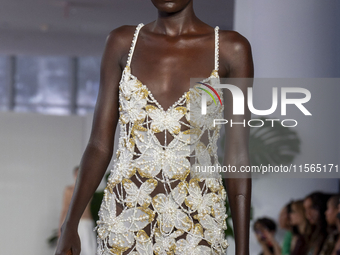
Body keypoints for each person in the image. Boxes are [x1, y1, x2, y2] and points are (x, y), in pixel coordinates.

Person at [55, 1, 253, 254]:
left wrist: (243, 249)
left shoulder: (230, 49)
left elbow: (237, 155)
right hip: (126, 214)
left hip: (197, 218)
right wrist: (70, 224)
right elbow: (99, 144)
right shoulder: (122, 42)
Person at [58, 166, 97, 255]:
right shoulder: (69, 190)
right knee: (73, 249)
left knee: (89, 249)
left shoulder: (89, 188)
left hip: (87, 222)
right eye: (77, 173)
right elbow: (64, 209)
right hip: (74, 222)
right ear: (74, 175)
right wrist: (60, 228)